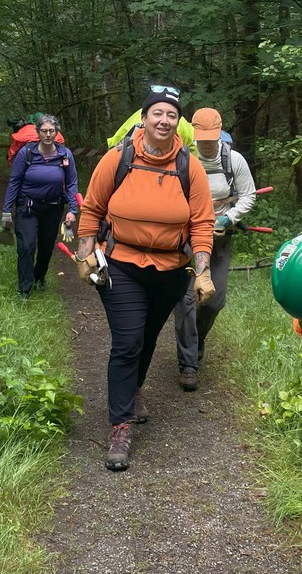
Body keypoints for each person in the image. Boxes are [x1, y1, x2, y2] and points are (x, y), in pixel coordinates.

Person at [75, 85, 215, 471]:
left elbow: (202, 223)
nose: (164, 121)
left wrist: (201, 272)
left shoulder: (190, 166)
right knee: (128, 340)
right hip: (121, 264)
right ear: (144, 118)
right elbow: (92, 209)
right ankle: (120, 425)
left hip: (170, 270)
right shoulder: (117, 159)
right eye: (158, 113)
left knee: (148, 336)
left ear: (178, 122)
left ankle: (133, 390)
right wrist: (86, 253)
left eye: (171, 115)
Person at [173, 107, 256, 391]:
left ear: (219, 133)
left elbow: (248, 196)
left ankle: (198, 337)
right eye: (201, 138)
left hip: (220, 239)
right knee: (186, 301)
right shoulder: (183, 157)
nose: (206, 143)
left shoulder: (233, 160)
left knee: (214, 300)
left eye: (210, 137)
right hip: (186, 240)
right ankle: (189, 362)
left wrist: (228, 218)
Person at [1, 113, 78, 299]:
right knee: (26, 247)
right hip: (27, 208)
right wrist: (6, 211)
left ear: (56, 132)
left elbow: (71, 183)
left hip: (53, 209)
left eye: (52, 130)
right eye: (44, 131)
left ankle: (39, 277)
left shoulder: (64, 155)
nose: (48, 134)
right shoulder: (26, 153)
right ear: (38, 132)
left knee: (45, 247)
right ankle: (24, 289)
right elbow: (15, 181)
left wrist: (73, 210)